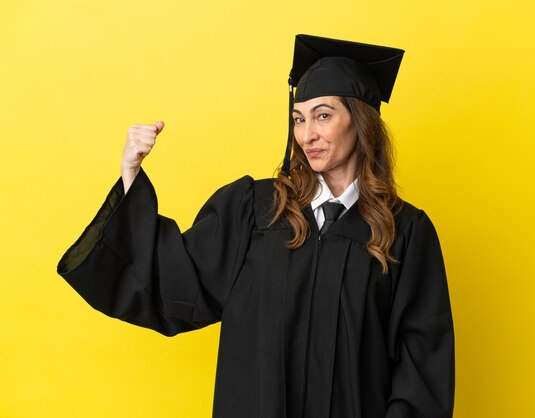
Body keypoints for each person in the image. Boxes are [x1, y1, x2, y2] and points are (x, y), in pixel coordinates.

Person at [58, 34, 455, 418]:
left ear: (361, 121)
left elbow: (423, 368)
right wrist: (131, 173)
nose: (307, 134)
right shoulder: (256, 210)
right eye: (298, 118)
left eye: (324, 116)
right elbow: (173, 279)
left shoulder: (404, 231)